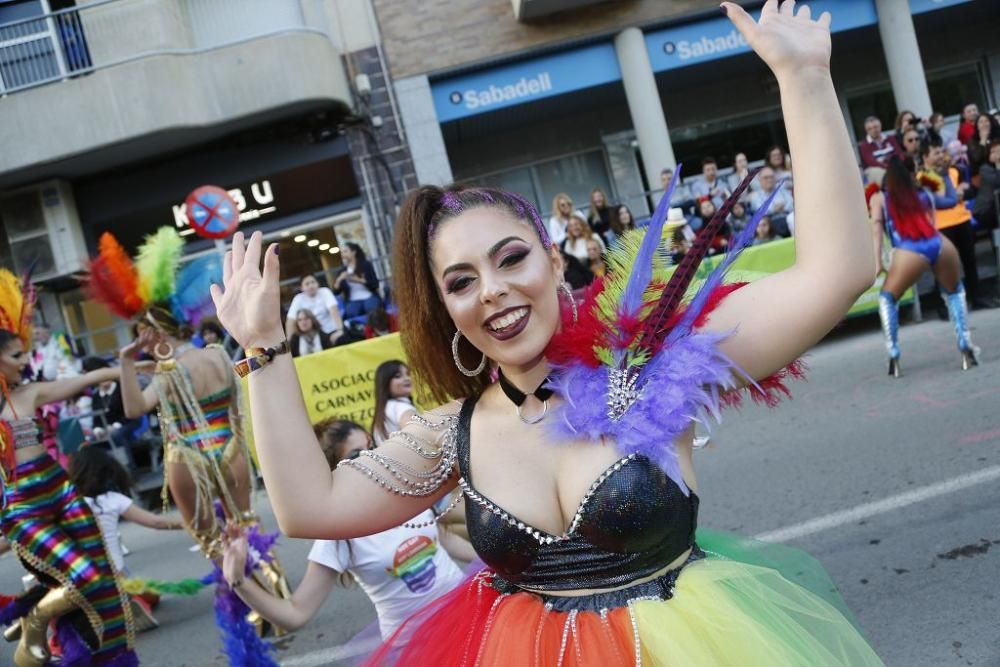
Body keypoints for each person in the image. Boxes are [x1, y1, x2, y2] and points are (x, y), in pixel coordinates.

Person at [211, 3, 882, 664]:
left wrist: (804, 80)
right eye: (462, 281)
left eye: (511, 258)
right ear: (447, 311)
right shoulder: (454, 435)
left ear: (554, 259)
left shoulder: (653, 367)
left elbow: (837, 273)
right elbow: (308, 506)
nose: (494, 290)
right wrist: (263, 349)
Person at [88, 228, 288, 660]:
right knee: (248, 524)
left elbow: (135, 407)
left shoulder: (167, 373)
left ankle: (249, 604)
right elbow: (237, 398)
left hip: (188, 459)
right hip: (230, 450)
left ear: (153, 332)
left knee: (214, 539)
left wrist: (126, 364)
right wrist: (236, 441)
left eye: (141, 334)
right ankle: (277, 594)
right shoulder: (216, 354)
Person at [222, 419, 472, 640]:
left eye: (372, 447)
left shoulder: (406, 490)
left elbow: (444, 540)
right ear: (333, 469)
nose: (371, 458)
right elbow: (295, 615)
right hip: (417, 646)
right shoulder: (338, 534)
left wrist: (498, 561)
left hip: (467, 613)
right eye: (356, 455)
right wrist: (238, 581)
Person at [0, 270, 138, 665]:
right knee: (82, 576)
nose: (25, 361)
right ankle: (36, 617)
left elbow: (87, 378)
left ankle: (103, 655)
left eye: (25, 351)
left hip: (61, 492)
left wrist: (128, 367)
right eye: (16, 355)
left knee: (103, 580)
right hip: (24, 508)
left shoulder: (31, 393)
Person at [869, 158, 980, 375]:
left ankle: (893, 354)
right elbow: (951, 200)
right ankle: (965, 345)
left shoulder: (880, 198)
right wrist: (946, 174)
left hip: (909, 249)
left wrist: (877, 262)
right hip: (939, 244)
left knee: (887, 298)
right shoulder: (926, 194)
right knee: (955, 292)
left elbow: (876, 231)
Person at [69, 446, 184, 630]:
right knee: (151, 594)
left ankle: (108, 609)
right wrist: (191, 524)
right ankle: (132, 602)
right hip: (116, 573)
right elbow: (156, 522)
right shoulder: (112, 499)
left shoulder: (68, 505)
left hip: (79, 575)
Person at [921, 141, 994, 309]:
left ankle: (976, 298)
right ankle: (945, 305)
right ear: (925, 157)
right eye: (935, 153)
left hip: (962, 220)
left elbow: (968, 191)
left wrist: (962, 191)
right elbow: (941, 199)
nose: (940, 156)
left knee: (970, 260)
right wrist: (956, 193)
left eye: (941, 152)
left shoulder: (954, 171)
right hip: (941, 225)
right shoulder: (923, 177)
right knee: (943, 266)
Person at [286, 274, 344, 342]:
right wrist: (289, 340)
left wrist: (340, 330)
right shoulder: (298, 298)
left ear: (318, 284)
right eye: (307, 284)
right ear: (301, 288)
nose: (311, 286)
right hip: (311, 335)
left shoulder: (325, 291)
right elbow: (291, 319)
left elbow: (334, 310)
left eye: (313, 282)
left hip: (330, 330)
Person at [371, 360, 417, 445]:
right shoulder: (401, 407)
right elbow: (416, 438)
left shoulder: (384, 410)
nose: (407, 378)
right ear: (385, 382)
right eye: (398, 376)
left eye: (408, 374)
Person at [335, 243, 382, 320]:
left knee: (373, 309)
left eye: (345, 251)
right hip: (353, 300)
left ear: (354, 252)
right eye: (342, 252)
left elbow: (375, 284)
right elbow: (336, 292)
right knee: (350, 312)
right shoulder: (342, 271)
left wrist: (359, 280)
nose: (343, 254)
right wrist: (339, 279)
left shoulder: (366, 265)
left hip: (369, 296)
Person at [750, 166, 794, 236]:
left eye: (771, 177)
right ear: (759, 180)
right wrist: (774, 209)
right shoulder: (755, 196)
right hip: (769, 222)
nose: (769, 180)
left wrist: (782, 208)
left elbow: (791, 204)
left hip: (787, 218)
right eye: (766, 177)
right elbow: (760, 211)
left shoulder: (782, 190)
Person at [858, 115, 903, 180]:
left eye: (875, 127)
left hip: (895, 166)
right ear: (866, 130)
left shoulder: (890, 139)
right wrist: (888, 167)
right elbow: (871, 162)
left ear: (880, 126)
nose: (873, 130)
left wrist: (895, 165)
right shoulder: (864, 145)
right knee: (878, 172)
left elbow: (899, 153)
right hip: (880, 171)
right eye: (870, 129)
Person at [972, 141, 1000, 232]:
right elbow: (997, 182)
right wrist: (998, 164)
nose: (997, 154)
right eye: (993, 152)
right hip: (985, 209)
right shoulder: (984, 169)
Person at [966, 113, 1000, 181]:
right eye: (981, 122)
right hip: (982, 175)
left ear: (991, 123)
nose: (984, 124)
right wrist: (983, 140)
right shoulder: (972, 141)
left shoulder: (997, 136)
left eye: (986, 121)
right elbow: (977, 158)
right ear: (977, 126)